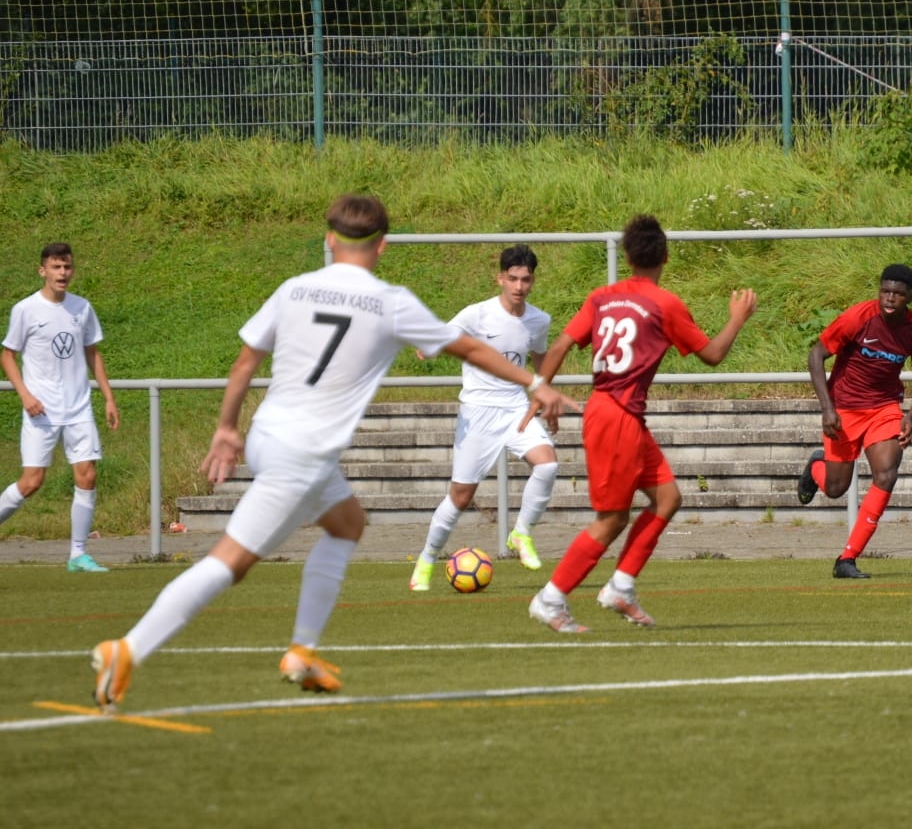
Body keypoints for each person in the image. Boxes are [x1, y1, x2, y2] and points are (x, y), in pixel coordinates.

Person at [89, 195, 578, 710]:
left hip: (269, 433)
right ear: (382, 245)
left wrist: (227, 428)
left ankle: (302, 653)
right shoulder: (390, 302)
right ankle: (128, 649)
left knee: (347, 523)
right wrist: (535, 383)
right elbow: (471, 348)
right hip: (302, 452)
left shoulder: (294, 289)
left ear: (329, 239)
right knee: (230, 562)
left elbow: (244, 363)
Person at [527, 214, 756, 633]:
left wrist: (539, 389)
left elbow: (560, 345)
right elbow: (712, 355)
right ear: (665, 257)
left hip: (617, 412)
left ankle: (621, 586)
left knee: (667, 498)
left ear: (628, 257)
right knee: (612, 519)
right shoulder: (665, 304)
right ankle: (551, 598)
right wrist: (737, 318)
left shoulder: (602, 298)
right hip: (617, 416)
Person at [408, 245, 559, 588]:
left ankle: (521, 534)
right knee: (461, 496)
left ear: (533, 281)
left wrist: (543, 395)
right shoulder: (476, 314)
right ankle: (427, 559)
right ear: (500, 278)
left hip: (515, 408)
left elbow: (540, 357)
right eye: (513, 279)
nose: (519, 286)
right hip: (477, 413)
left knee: (547, 465)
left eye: (526, 280)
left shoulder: (538, 320)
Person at [796, 263, 912, 579]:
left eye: (898, 294)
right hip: (844, 409)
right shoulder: (858, 317)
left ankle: (847, 559)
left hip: (884, 409)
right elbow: (816, 355)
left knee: (886, 473)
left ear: (910, 297)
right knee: (835, 488)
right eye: (885, 291)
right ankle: (816, 466)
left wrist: (910, 416)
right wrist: (827, 408)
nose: (890, 298)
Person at [0, 243, 120, 572]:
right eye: (56, 267)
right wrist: (25, 395)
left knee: (87, 475)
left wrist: (108, 397)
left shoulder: (82, 308)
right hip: (41, 410)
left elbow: (93, 352)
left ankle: (78, 555)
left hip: (78, 407)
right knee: (32, 482)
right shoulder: (26, 309)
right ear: (43, 271)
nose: (62, 273)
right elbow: (7, 355)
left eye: (67, 267)